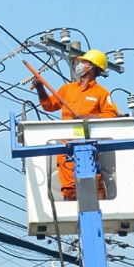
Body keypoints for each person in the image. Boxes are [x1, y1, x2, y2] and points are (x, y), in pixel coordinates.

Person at [32, 48, 118, 201]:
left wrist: (88, 117)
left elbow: (110, 115)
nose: (81, 64)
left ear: (93, 67)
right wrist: (40, 89)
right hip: (68, 146)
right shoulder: (67, 89)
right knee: (70, 188)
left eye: (84, 62)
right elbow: (49, 105)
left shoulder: (102, 93)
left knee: (94, 183)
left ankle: (100, 209)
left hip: (90, 145)